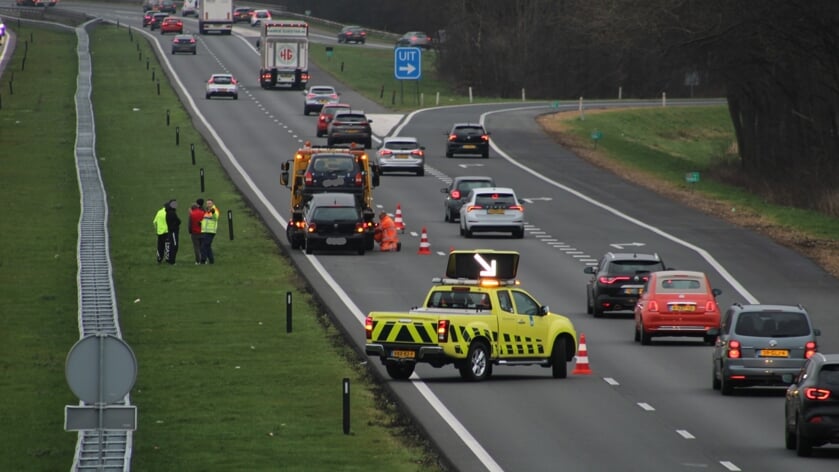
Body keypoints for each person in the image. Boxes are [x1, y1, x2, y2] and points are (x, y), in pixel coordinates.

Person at [200, 198, 219, 264]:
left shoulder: (214, 210)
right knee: (207, 246)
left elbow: (216, 217)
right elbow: (205, 219)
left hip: (211, 231)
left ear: (213, 204)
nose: (208, 204)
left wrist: (213, 212)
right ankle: (211, 260)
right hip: (206, 231)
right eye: (207, 203)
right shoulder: (207, 211)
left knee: (204, 246)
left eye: (210, 203)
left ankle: (203, 260)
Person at [188, 198, 205, 264]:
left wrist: (190, 231)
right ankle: (204, 260)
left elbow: (190, 224)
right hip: (202, 232)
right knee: (202, 247)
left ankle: (198, 261)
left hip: (195, 233)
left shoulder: (191, 214)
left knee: (196, 247)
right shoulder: (202, 213)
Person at [164, 199, 181, 264]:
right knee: (174, 245)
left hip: (172, 230)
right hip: (173, 231)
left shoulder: (170, 212)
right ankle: (172, 261)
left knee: (173, 245)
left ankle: (171, 260)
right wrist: (177, 224)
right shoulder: (171, 213)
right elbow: (177, 221)